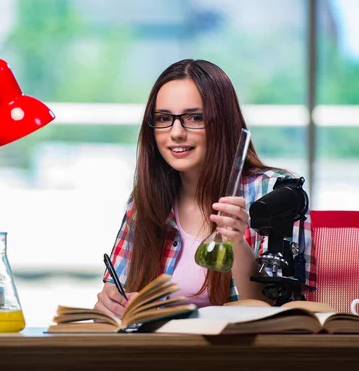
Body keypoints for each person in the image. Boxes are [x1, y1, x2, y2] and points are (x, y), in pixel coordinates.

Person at [95, 59, 315, 318]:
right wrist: (112, 303)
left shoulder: (276, 193)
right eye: (164, 118)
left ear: (223, 124)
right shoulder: (144, 201)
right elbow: (117, 293)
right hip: (159, 352)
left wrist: (236, 243)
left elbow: (277, 313)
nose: (176, 132)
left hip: (242, 353)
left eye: (195, 117)